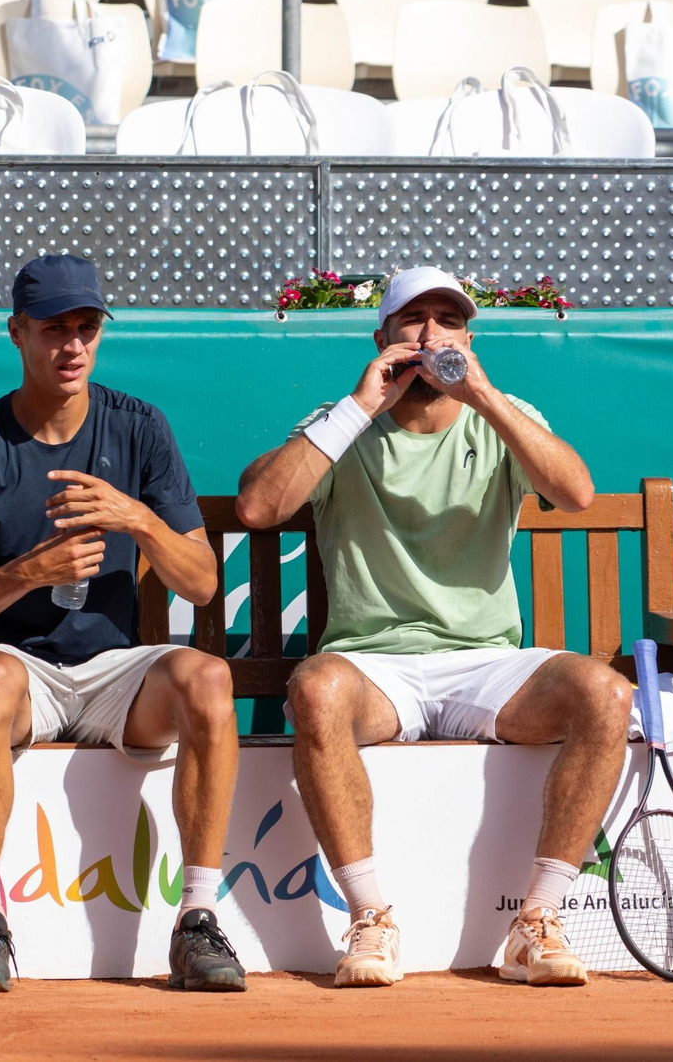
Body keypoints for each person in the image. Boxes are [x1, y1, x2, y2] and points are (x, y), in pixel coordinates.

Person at [235, 265, 631, 988]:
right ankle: (369, 918)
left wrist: (481, 395)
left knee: (605, 695)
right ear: (382, 337)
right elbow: (259, 508)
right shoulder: (341, 421)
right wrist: (360, 405)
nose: (429, 336)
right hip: (374, 667)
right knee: (316, 690)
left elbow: (575, 493)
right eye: (413, 322)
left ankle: (537, 922)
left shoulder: (501, 412)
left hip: (486, 664)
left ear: (467, 338)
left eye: (447, 322)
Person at [0, 254, 246, 994]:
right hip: (15, 672)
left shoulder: (140, 427)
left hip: (111, 675)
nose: (72, 345)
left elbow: (200, 579)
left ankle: (197, 920)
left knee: (209, 678)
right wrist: (26, 573)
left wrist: (138, 519)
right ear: (17, 334)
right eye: (54, 329)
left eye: (86, 328)